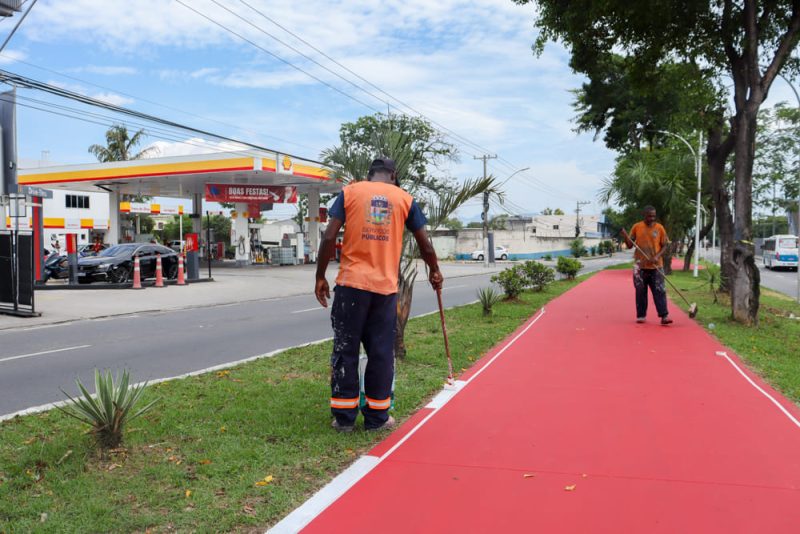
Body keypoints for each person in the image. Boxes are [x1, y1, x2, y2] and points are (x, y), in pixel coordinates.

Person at [315, 157, 443, 432]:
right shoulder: (405, 199)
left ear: (370, 175)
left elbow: (328, 237)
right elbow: (425, 243)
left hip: (351, 286)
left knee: (345, 350)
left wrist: (319, 276)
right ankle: (377, 418)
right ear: (394, 175)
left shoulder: (350, 192)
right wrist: (434, 270)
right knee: (381, 353)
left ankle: (344, 419)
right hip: (384, 291)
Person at [620, 206, 672, 325]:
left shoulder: (659, 228)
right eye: (649, 216)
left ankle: (664, 316)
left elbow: (665, 245)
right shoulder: (637, 227)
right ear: (644, 215)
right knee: (640, 291)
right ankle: (641, 315)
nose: (652, 218)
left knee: (660, 291)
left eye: (653, 216)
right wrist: (625, 235)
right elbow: (629, 245)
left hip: (656, 266)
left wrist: (657, 256)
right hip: (640, 266)